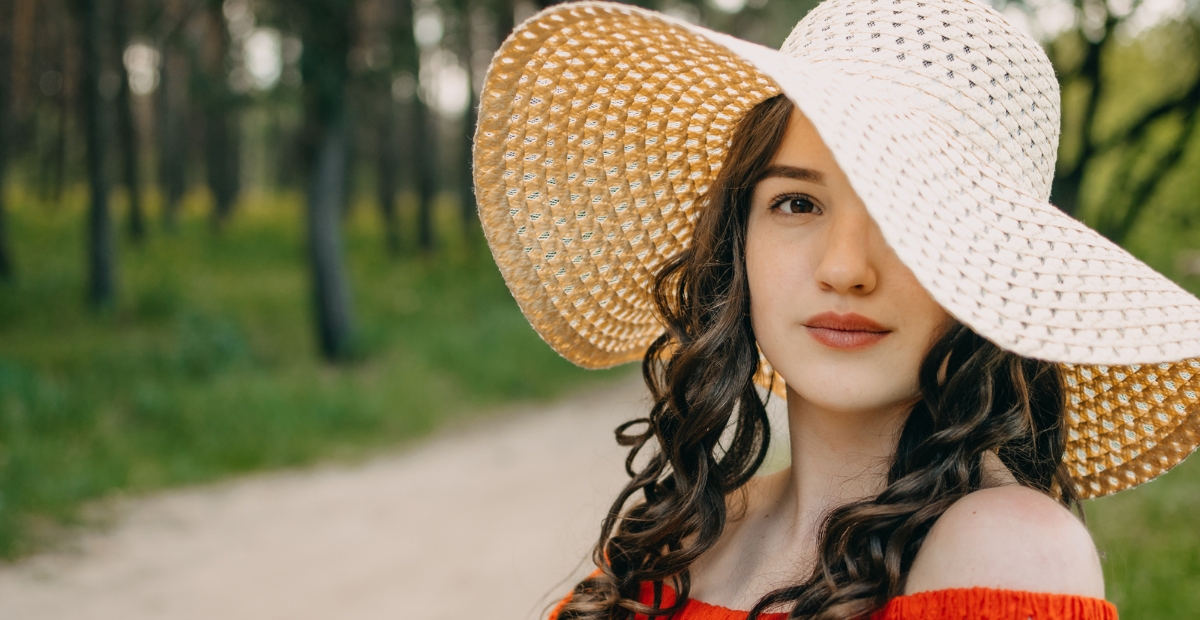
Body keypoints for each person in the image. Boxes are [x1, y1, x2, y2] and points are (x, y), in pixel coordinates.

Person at [470, 0, 1200, 618]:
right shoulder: (680, 537)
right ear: (738, 244)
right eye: (796, 202)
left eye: (911, 211)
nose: (845, 268)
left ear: (994, 271)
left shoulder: (1007, 550)